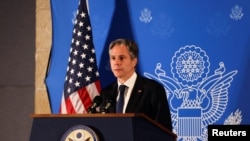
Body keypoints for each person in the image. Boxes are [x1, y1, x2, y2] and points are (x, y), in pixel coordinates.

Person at [99, 38, 173, 131]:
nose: (116, 63)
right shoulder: (106, 93)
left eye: (121, 58)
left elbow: (164, 131)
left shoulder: (153, 90)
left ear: (134, 61)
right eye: (113, 58)